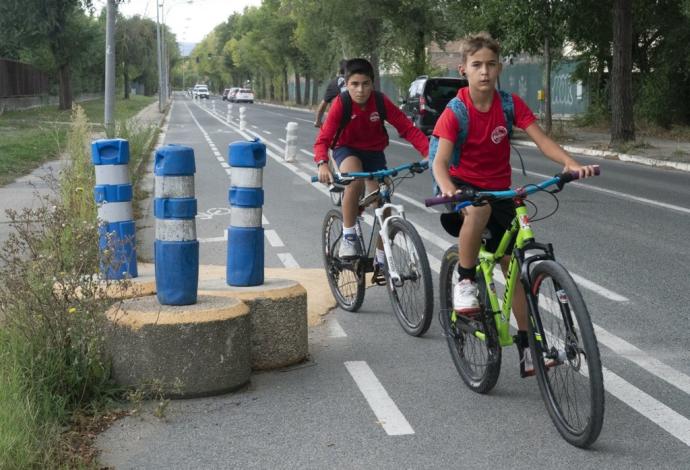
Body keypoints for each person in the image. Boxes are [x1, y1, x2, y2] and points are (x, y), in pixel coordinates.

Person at [431, 32, 597, 377]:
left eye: (491, 64)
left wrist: (569, 163)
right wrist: (448, 189)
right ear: (464, 69)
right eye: (477, 65)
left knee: (517, 270)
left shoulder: (509, 104)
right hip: (463, 189)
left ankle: (527, 348)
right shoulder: (456, 111)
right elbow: (440, 162)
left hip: (500, 190)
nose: (485, 71)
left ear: (500, 68)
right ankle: (464, 281)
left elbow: (543, 141)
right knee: (479, 210)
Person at [314, 58, 429, 281]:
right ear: (346, 84)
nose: (360, 90)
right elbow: (323, 139)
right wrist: (322, 163)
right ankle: (348, 237)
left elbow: (407, 128)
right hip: (346, 150)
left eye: (366, 83)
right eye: (354, 84)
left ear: (373, 83)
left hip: (374, 152)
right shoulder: (341, 104)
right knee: (354, 181)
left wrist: (429, 153)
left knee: (384, 203)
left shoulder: (380, 101)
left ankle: (381, 258)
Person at [314, 60, 348, 128]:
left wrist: (318, 121)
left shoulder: (334, 83)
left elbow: (323, 105)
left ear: (339, 70)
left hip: (339, 120)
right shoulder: (357, 82)